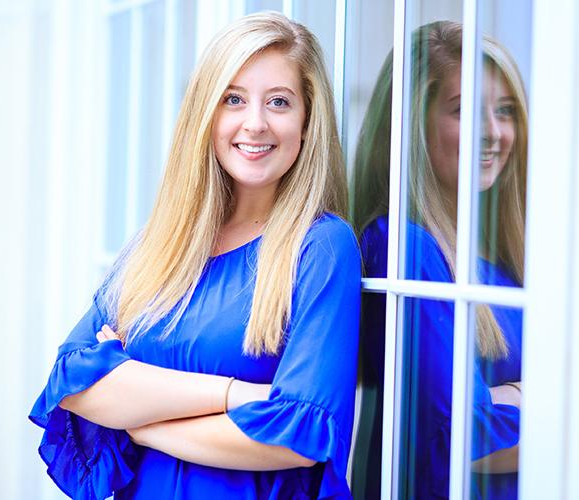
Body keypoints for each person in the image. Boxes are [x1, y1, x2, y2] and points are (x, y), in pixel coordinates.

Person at [29, 12, 361, 500]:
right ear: (206, 114)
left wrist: (142, 422)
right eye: (233, 99)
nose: (255, 123)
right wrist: (237, 396)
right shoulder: (161, 244)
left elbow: (298, 435)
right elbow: (73, 381)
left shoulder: (321, 247)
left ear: (308, 122)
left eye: (278, 102)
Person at [351, 21, 527, 499]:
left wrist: (506, 400)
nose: (493, 133)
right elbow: (468, 438)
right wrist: (544, 397)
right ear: (412, 125)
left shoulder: (510, 251)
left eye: (506, 111)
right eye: (464, 111)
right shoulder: (403, 248)